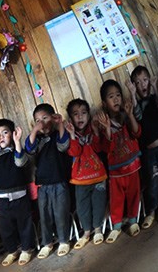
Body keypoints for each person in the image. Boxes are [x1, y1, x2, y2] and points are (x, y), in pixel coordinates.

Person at [0, 119, 35, 267]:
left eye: (5, 133)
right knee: (6, 229)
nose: (1, 137)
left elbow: (20, 162)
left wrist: (17, 142)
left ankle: (27, 249)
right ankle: (12, 251)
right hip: (2, 200)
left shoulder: (17, 152)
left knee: (24, 225)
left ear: (13, 133)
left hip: (20, 198)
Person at [96, 79, 141, 244]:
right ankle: (116, 226)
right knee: (116, 198)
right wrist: (107, 128)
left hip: (133, 165)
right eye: (111, 97)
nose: (116, 99)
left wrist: (130, 115)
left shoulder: (125, 115)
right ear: (104, 103)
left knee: (134, 194)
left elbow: (137, 133)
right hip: (115, 171)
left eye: (118, 95)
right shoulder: (103, 123)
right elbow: (106, 147)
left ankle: (133, 220)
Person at [24, 104, 72, 259]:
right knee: (44, 216)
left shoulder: (59, 133)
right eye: (37, 120)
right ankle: (47, 243)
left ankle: (64, 240)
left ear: (53, 117)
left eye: (45, 118)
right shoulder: (37, 139)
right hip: (43, 185)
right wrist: (34, 131)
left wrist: (60, 125)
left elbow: (64, 146)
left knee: (60, 213)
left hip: (59, 182)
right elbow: (29, 149)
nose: (42, 122)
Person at [128, 66, 158, 229]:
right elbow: (137, 115)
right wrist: (132, 95)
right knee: (153, 182)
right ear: (134, 86)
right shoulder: (137, 104)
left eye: (145, 80)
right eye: (137, 83)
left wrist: (155, 86)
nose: (142, 84)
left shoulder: (156, 98)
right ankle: (151, 212)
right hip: (150, 152)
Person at [65, 99, 107, 249]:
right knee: (82, 207)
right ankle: (86, 232)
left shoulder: (92, 129)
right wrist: (71, 135)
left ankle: (97, 230)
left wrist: (96, 131)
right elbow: (75, 151)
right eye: (76, 114)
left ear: (89, 115)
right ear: (70, 119)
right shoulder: (69, 135)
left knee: (98, 204)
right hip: (80, 180)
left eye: (83, 113)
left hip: (98, 177)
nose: (80, 117)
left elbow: (99, 147)